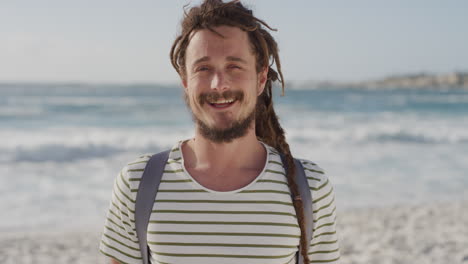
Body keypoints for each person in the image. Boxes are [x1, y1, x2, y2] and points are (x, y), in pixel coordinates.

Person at [99, 0, 340, 263]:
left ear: (260, 79)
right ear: (185, 81)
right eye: (203, 68)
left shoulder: (310, 188)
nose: (219, 84)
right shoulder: (137, 184)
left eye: (234, 66)